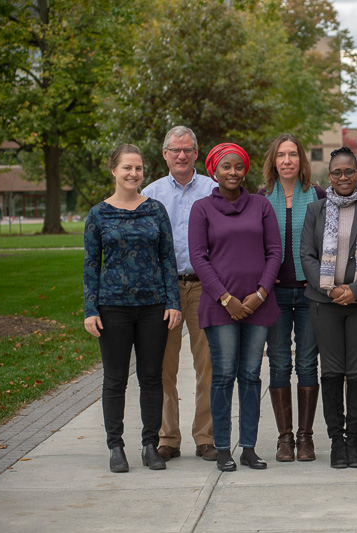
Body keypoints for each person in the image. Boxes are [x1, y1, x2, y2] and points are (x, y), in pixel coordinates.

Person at [83, 143, 182, 473]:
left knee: (151, 378)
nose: (133, 173)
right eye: (127, 167)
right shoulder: (99, 214)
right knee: (114, 380)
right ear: (113, 170)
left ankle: (150, 445)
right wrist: (90, 309)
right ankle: (115, 447)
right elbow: (90, 264)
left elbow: (168, 258)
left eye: (138, 168)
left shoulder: (155, 210)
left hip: (153, 307)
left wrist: (173, 302)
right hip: (112, 308)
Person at [188, 143, 282, 471]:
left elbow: (274, 252)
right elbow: (198, 257)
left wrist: (260, 293)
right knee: (224, 376)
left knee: (252, 376)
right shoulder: (202, 209)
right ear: (214, 170)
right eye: (226, 166)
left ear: (245, 170)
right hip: (220, 307)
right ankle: (224, 447)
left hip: (258, 304)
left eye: (238, 167)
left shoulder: (261, 205)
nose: (233, 172)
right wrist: (226, 299)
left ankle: (250, 448)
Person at [301, 146, 357, 469]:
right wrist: (330, 289)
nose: (342, 178)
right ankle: (337, 442)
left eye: (348, 172)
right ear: (329, 176)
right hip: (324, 303)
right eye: (336, 173)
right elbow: (307, 255)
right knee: (332, 372)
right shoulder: (316, 210)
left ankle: (355, 442)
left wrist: (355, 290)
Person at [141, 126, 217, 463]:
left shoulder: (213, 189)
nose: (182, 155)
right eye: (175, 150)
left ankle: (206, 437)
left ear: (196, 153)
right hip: (165, 288)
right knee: (162, 367)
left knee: (209, 365)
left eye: (187, 150)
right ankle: (167, 437)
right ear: (165, 154)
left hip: (204, 285)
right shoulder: (150, 193)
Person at [259, 134, 326, 462]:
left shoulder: (316, 196)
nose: (287, 160)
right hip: (274, 295)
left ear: (301, 160)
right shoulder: (260, 199)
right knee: (280, 363)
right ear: (273, 161)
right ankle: (284, 438)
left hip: (309, 292)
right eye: (281, 155)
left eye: (293, 155)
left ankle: (305, 437)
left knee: (307, 364)